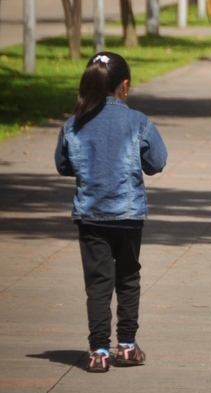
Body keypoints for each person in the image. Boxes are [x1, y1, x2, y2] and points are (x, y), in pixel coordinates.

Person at [54, 52, 168, 373]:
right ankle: (127, 346)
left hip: (90, 215)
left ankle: (99, 350)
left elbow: (63, 165)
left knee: (98, 282)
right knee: (128, 277)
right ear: (125, 86)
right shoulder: (138, 122)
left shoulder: (74, 124)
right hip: (128, 214)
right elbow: (156, 162)